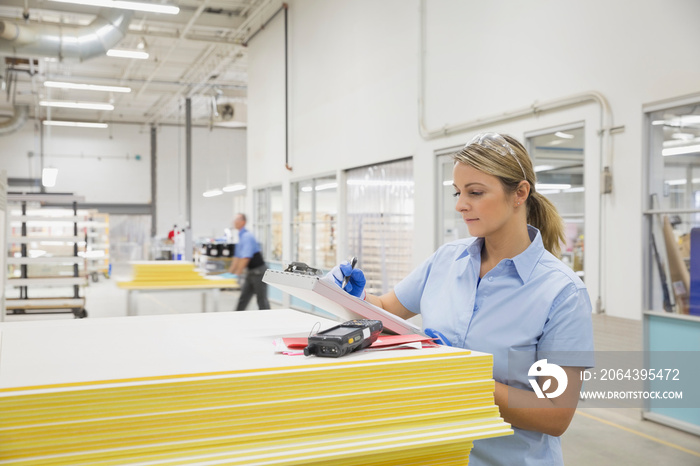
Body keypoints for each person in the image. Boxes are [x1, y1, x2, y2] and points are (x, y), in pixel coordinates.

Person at [328, 132, 594, 465]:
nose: (460, 205)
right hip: (435, 453)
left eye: (475, 192)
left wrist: (454, 373)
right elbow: (384, 311)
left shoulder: (562, 293)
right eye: (457, 192)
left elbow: (556, 415)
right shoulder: (445, 261)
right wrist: (353, 298)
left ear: (520, 193)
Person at [228, 213, 270, 310]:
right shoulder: (241, 236)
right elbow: (237, 257)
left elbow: (245, 258)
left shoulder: (247, 236)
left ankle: (268, 320)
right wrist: (229, 273)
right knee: (243, 298)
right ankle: (235, 318)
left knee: (261, 300)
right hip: (251, 272)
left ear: (243, 222)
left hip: (259, 272)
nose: (234, 222)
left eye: (236, 220)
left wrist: (237, 274)